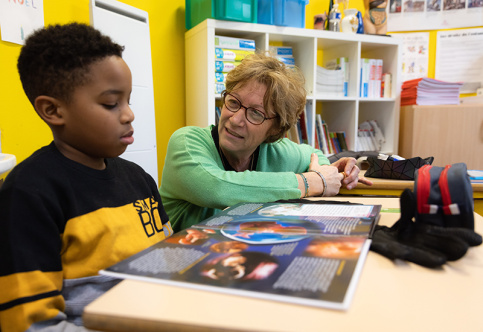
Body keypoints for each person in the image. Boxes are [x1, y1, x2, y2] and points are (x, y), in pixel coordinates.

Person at [0, 23, 172, 331]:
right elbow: (32, 324)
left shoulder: (139, 179)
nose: (129, 114)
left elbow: (170, 262)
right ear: (53, 110)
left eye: (128, 100)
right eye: (110, 103)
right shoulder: (28, 194)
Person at [160, 52, 372, 232]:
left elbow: (314, 155)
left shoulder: (273, 151)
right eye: (233, 102)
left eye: (255, 114)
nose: (235, 120)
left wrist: (329, 171)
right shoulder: (187, 142)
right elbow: (217, 187)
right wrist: (315, 182)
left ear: (276, 128)